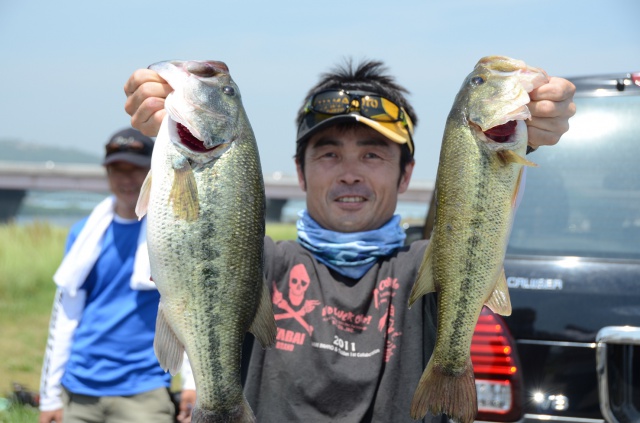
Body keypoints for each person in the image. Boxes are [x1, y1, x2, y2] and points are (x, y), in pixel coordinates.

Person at [123, 59, 576, 422]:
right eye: (329, 153)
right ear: (300, 171)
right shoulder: (257, 264)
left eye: (373, 153)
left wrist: (519, 139)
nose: (350, 172)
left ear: (406, 174)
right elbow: (199, 235)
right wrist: (169, 132)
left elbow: (474, 221)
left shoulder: (429, 268)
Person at [39, 128, 197, 423]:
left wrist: (191, 383)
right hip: (79, 389)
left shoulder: (169, 231)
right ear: (107, 174)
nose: (127, 179)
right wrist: (49, 396)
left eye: (136, 169)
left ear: (154, 170)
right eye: (117, 169)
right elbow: (65, 316)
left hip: (145, 390)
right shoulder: (84, 233)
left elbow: (188, 310)